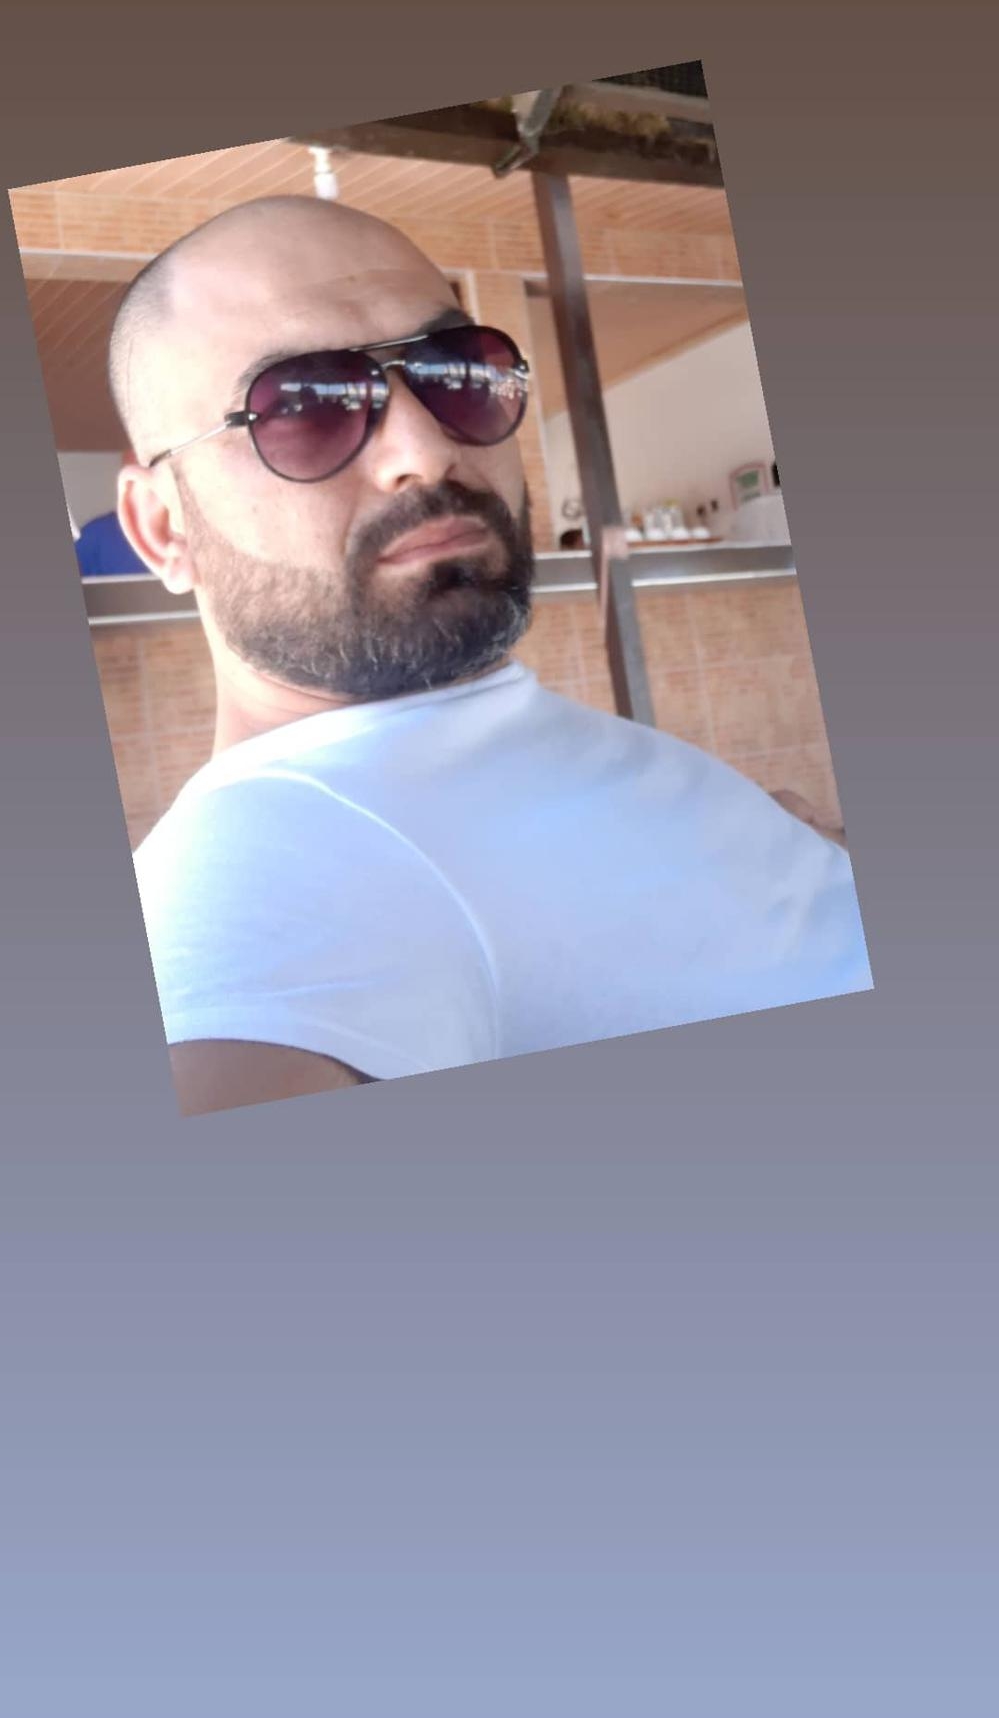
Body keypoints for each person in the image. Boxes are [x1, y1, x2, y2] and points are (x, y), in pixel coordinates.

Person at [111, 195, 871, 1117]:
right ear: (162, 528)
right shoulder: (259, 872)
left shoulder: (467, 751)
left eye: (454, 371)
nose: (425, 451)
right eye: (305, 404)